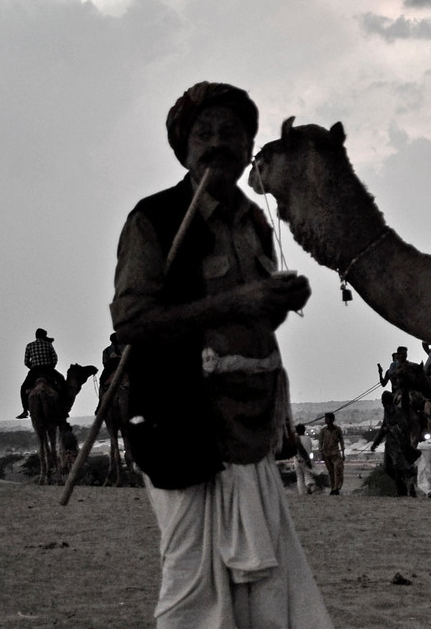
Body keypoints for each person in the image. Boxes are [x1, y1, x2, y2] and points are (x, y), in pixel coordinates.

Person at [110, 81, 333, 629]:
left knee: (266, 583)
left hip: (248, 423)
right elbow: (132, 320)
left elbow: (250, 315)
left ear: (246, 145)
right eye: (203, 133)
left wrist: (277, 303)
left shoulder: (254, 221)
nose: (216, 144)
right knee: (191, 585)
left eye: (230, 133)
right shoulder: (155, 220)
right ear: (184, 147)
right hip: (181, 419)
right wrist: (240, 300)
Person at [370, 390, 421, 497]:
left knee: (397, 469)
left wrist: (390, 429)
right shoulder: (386, 412)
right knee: (387, 468)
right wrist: (375, 443)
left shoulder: (398, 412)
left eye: (383, 401)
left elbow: (403, 427)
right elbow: (383, 428)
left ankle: (401, 491)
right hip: (389, 445)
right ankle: (402, 484)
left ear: (385, 402)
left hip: (399, 446)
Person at [16, 328, 67, 419]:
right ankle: (64, 407)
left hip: (35, 370)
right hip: (48, 369)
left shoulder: (29, 346)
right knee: (62, 382)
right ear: (44, 336)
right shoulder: (48, 344)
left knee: (23, 388)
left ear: (36, 336)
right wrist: (51, 367)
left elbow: (26, 361)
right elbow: (54, 358)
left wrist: (32, 367)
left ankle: (25, 410)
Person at [318, 411, 345, 496]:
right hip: (326, 454)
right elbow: (320, 442)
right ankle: (333, 488)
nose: (325, 420)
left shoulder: (338, 430)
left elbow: (341, 441)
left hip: (336, 454)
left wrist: (343, 453)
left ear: (332, 419)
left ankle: (336, 488)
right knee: (331, 472)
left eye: (327, 418)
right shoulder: (323, 430)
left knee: (337, 470)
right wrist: (321, 453)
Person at [295, 424, 316, 495]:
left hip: (297, 460)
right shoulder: (308, 439)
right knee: (308, 474)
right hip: (307, 459)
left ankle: (302, 492)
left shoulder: (295, 439)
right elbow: (310, 448)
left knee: (299, 477)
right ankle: (309, 487)